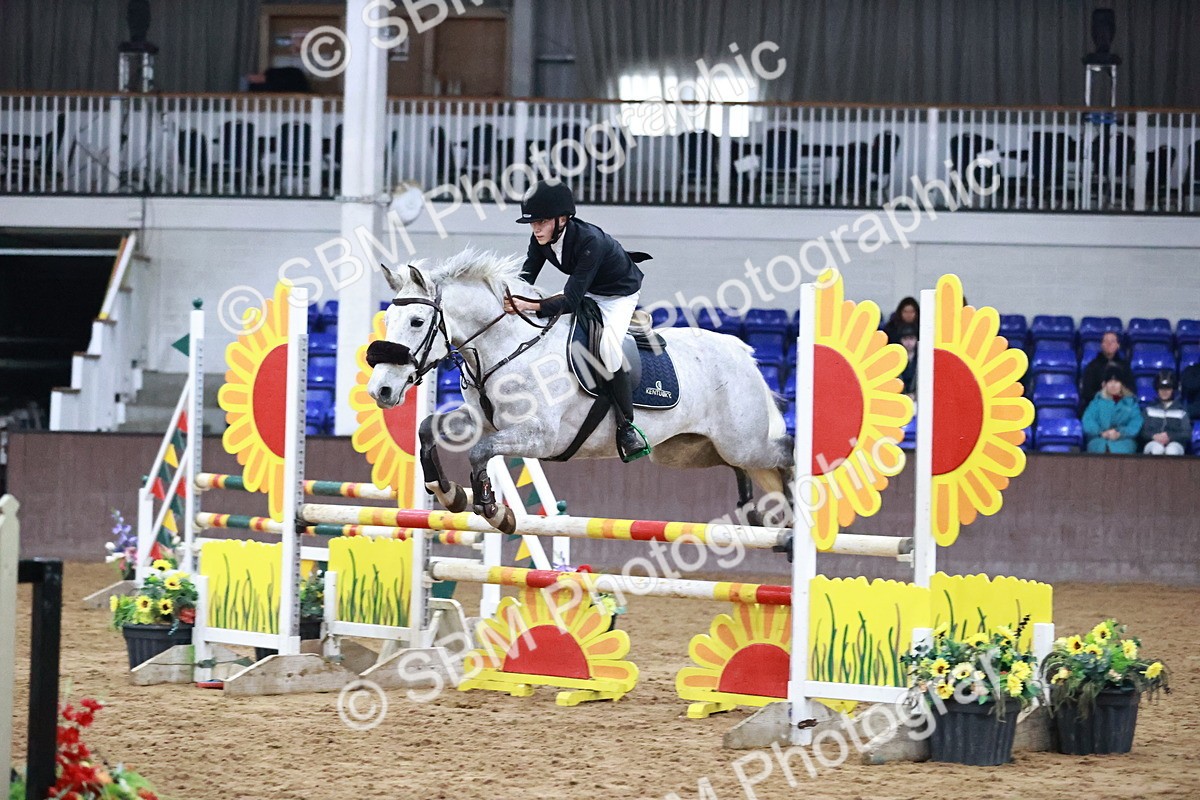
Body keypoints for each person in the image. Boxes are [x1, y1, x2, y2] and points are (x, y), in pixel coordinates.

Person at [505, 181, 650, 461]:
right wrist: (508, 297)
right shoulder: (540, 240)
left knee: (608, 349)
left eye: (542, 222)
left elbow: (570, 301)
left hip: (618, 295)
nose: (536, 229)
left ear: (562, 219)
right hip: (589, 288)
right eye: (533, 222)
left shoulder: (589, 241)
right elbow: (525, 278)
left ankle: (627, 427)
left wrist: (528, 305)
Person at [1082, 365, 1143, 454]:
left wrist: (1120, 433)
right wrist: (1101, 433)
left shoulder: (1131, 403)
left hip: (1124, 440)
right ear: (1105, 384)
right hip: (1099, 439)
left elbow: (1136, 423)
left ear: (1122, 384)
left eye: (1116, 382)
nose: (1113, 385)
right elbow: (1088, 421)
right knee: (1100, 448)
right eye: (1110, 382)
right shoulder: (1096, 402)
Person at [1078, 331, 1134, 414]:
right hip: (1097, 409)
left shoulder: (1125, 366)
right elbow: (1086, 393)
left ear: (1118, 345)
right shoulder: (1092, 366)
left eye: (1112, 341)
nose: (1109, 344)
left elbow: (1131, 390)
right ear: (1102, 345)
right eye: (1106, 341)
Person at [1140, 370, 1190, 456]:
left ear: (1173, 390)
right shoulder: (1149, 409)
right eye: (1161, 388)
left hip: (1176, 443)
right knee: (1156, 449)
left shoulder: (1181, 410)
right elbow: (1142, 431)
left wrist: (1170, 437)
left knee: (1172, 451)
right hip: (1153, 442)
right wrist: (1153, 436)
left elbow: (1187, 433)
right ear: (1157, 390)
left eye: (1168, 388)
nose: (1164, 392)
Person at [896, 323, 918, 396]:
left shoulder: (921, 358)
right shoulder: (897, 359)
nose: (908, 342)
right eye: (905, 339)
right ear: (901, 340)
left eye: (911, 338)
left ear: (916, 340)